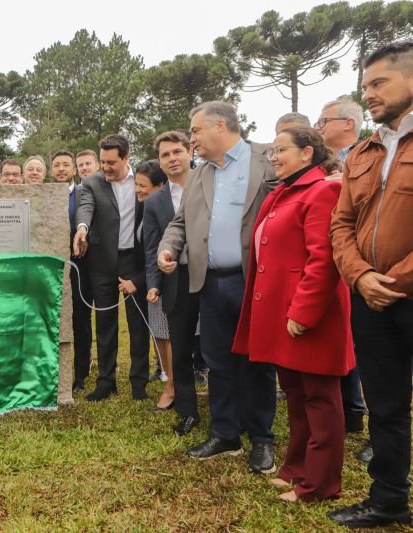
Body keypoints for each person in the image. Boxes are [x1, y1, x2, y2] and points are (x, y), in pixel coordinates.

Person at [233, 127, 354, 503]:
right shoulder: (284, 191)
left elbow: (323, 260)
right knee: (296, 394)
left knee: (320, 399)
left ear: (307, 153)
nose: (273, 156)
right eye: (272, 150)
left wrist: (304, 311)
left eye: (281, 149)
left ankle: (320, 485)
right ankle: (297, 470)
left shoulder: (324, 190)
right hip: (279, 313)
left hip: (307, 313)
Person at [158, 101, 279, 474]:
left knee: (257, 361)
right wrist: (168, 247)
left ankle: (261, 438)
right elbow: (180, 222)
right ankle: (226, 433)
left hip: (253, 281)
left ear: (220, 126)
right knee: (218, 360)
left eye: (195, 130)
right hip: (210, 283)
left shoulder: (267, 159)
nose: (191, 137)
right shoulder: (198, 174)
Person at [329, 40, 413, 529]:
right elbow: (341, 225)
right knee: (384, 405)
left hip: (403, 292)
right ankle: (388, 500)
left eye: (379, 83)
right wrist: (360, 276)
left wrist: (394, 280)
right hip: (370, 299)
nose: (370, 96)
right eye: (365, 87)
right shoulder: (364, 150)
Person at [74, 134, 150, 401]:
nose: (105, 168)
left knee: (138, 325)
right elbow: (85, 207)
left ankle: (139, 384)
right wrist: (82, 228)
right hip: (102, 261)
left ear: (126, 158)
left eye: (111, 162)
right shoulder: (91, 182)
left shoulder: (141, 180)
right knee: (105, 324)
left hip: (133, 260)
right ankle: (106, 381)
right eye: (102, 161)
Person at [315, 96, 371, 459]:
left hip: (369, 267)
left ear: (348, 124)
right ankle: (350, 411)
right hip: (338, 265)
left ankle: (370, 424)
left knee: (370, 350)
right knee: (343, 339)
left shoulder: (367, 157)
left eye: (324, 122)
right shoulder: (325, 165)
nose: (319, 128)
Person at [145, 131, 202, 436]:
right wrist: (154, 282)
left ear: (190, 151)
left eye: (176, 151)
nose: (172, 158)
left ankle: (226, 406)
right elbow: (152, 245)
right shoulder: (155, 202)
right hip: (175, 280)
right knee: (179, 349)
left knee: (217, 347)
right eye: (165, 155)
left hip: (212, 276)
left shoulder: (211, 184)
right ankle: (188, 410)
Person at [50, 150, 92, 392]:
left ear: (74, 171)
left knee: (80, 319)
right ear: (51, 170)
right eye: (57, 165)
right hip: (50, 266)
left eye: (66, 165)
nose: (62, 169)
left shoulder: (83, 193)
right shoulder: (43, 195)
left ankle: (81, 373)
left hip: (79, 266)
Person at [135, 161, 173, 411]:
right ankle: (172, 383)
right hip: (155, 282)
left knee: (172, 337)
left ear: (160, 186)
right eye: (136, 184)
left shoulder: (168, 208)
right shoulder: (144, 206)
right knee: (160, 334)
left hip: (172, 277)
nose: (137, 190)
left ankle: (174, 386)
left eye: (143, 185)